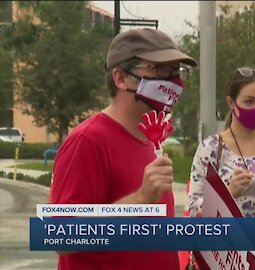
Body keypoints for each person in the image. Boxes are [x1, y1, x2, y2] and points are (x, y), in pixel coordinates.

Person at [49, 28, 197, 270]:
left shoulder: (151, 140)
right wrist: (140, 199)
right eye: (159, 70)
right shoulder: (88, 141)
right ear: (120, 78)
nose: (173, 81)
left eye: (176, 71)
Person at [187, 67, 255, 269]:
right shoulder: (211, 149)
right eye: (249, 101)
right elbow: (194, 211)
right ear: (231, 102)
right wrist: (228, 193)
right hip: (224, 255)